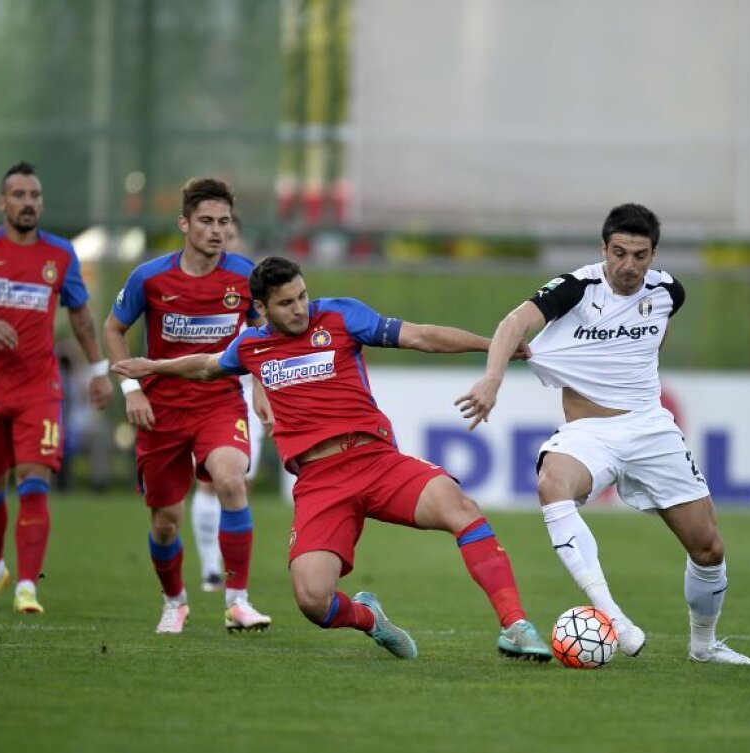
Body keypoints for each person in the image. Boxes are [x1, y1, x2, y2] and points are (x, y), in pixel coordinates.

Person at [112, 256, 552, 662]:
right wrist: (152, 367)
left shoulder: (341, 315)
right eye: (286, 303)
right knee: (312, 600)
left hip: (376, 460)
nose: (300, 308)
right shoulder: (251, 347)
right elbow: (207, 365)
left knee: (461, 507)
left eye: (302, 295)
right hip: (320, 482)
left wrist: (492, 345)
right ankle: (369, 618)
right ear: (262, 308)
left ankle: (514, 624)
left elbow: (419, 336)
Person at [457, 202, 750, 665]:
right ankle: (612, 615)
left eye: (640, 255)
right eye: (619, 253)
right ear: (604, 249)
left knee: (708, 546)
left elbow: (654, 332)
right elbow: (514, 323)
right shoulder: (577, 288)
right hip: (589, 432)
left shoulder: (668, 292)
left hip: (650, 427)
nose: (628, 266)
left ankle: (704, 645)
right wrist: (492, 379)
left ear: (653, 254)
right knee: (552, 484)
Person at [103, 177, 272, 635]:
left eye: (223, 222)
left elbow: (262, 334)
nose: (216, 230)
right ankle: (175, 601)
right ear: (184, 224)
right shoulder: (151, 277)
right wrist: (132, 391)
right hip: (160, 411)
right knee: (164, 523)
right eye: (206, 222)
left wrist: (258, 383)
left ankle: (237, 601)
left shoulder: (244, 276)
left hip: (219, 402)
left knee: (232, 482)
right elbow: (113, 329)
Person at [0, 160, 113, 614]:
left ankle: (26, 586)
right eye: (18, 195)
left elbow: (80, 314)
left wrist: (99, 371)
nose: (27, 203)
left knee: (34, 478)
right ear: (2, 202)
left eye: (34, 196)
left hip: (38, 388)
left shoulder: (60, 255)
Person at [188, 213, 267, 592]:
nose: (225, 239)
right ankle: (210, 568)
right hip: (211, 397)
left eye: (232, 234)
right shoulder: (197, 286)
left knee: (238, 485)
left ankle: (226, 564)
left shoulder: (253, 289)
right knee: (209, 483)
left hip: (250, 394)